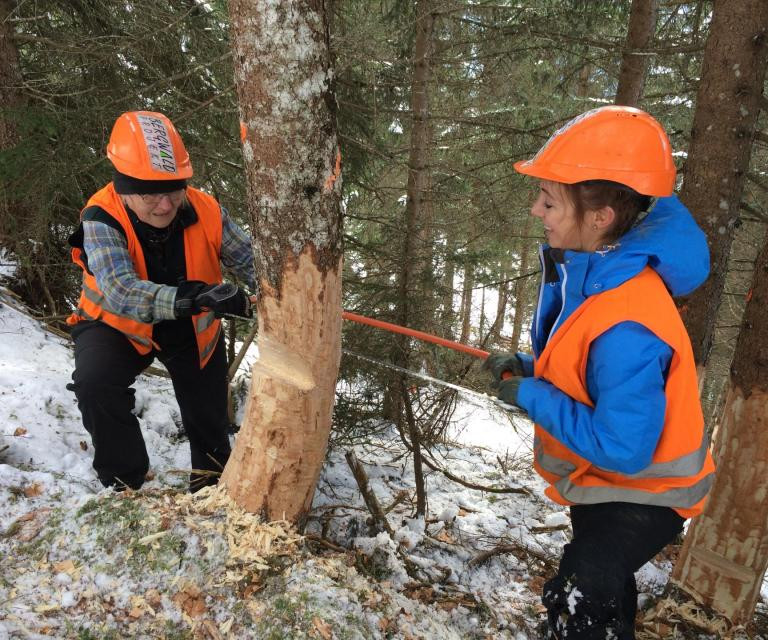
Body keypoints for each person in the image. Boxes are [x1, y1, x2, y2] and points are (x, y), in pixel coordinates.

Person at [484, 105, 715, 639]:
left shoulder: (627, 318)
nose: (536, 211)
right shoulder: (603, 275)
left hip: (643, 492)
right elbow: (592, 371)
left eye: (549, 201)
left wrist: (534, 395)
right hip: (609, 483)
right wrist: (530, 368)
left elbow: (623, 446)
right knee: (603, 588)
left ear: (599, 218)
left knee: (584, 585)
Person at [67, 111, 256, 492]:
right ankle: (124, 483)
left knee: (208, 415)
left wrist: (272, 295)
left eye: (172, 190)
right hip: (116, 325)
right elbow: (120, 290)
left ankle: (212, 488)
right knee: (96, 384)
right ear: (123, 188)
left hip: (191, 331)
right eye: (148, 193)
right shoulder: (101, 218)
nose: (164, 205)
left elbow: (253, 262)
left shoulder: (206, 210)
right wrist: (196, 297)